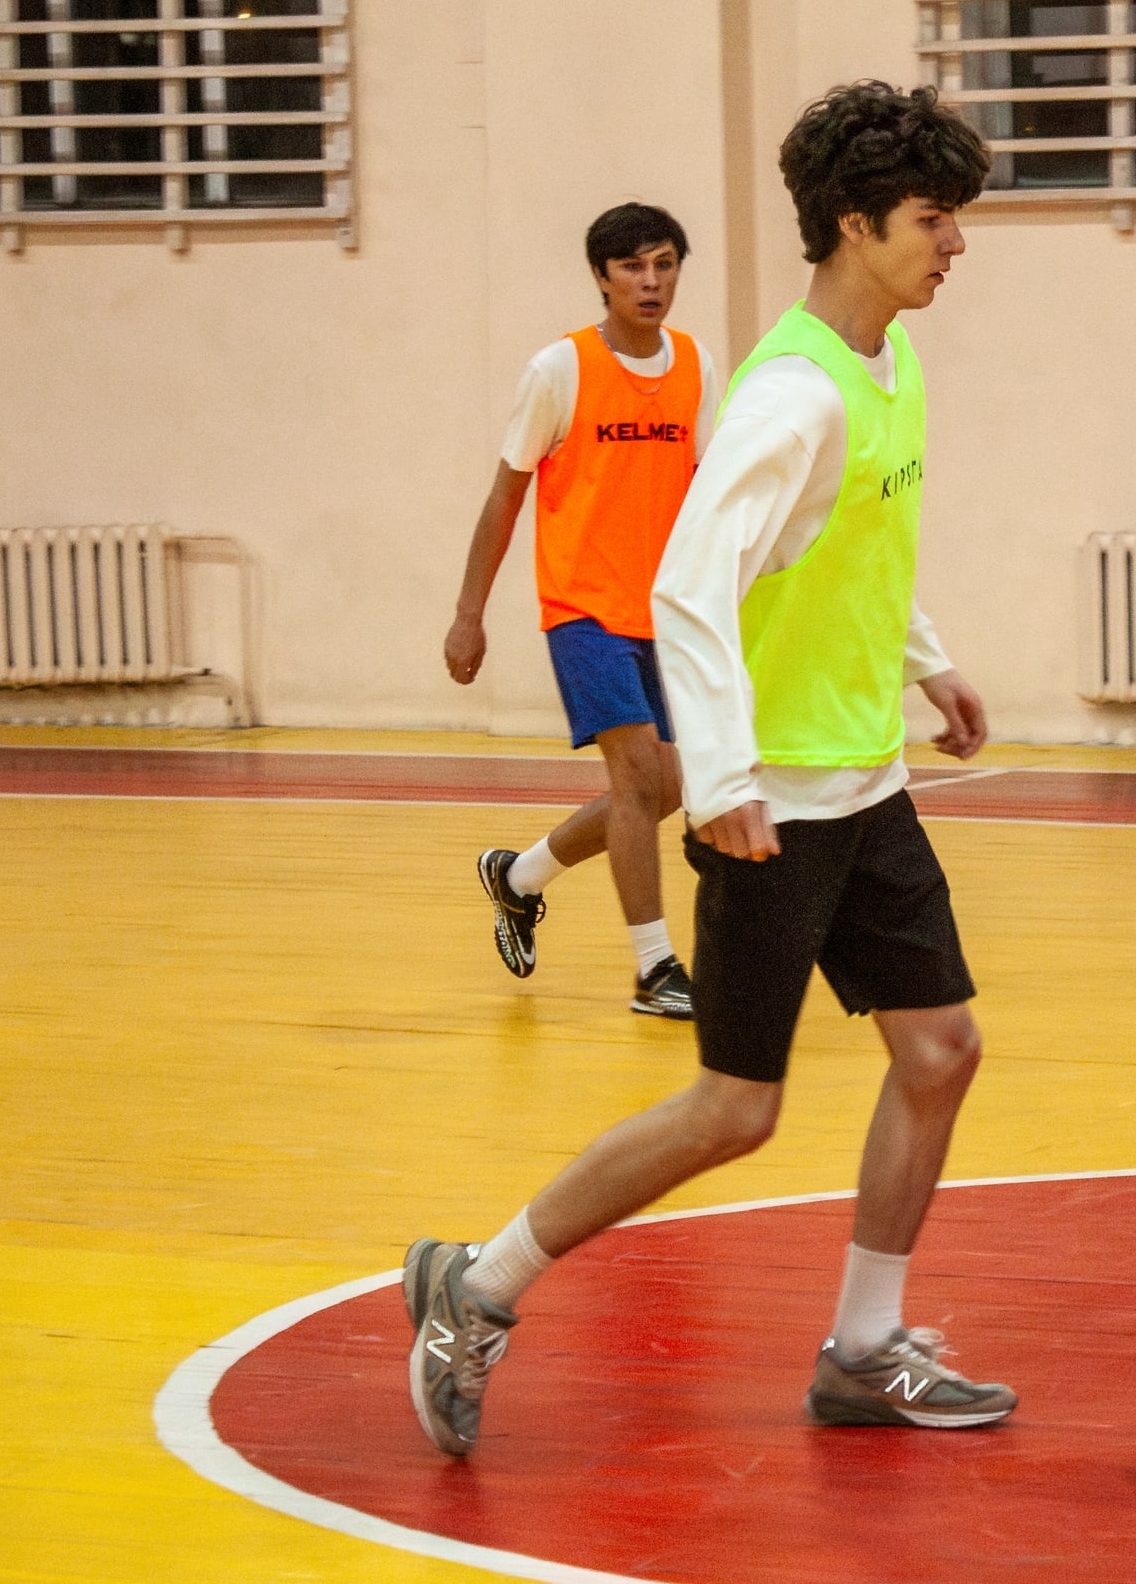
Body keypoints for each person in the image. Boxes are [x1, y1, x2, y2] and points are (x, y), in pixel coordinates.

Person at [403, 81, 1007, 1457]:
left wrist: (929, 663)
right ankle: (477, 1285)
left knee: (939, 1048)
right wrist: (723, 775)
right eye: (932, 219)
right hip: (775, 804)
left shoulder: (888, 365)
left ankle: (864, 1348)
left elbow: (843, 545)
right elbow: (689, 584)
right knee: (735, 1108)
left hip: (864, 781)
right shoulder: (789, 394)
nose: (954, 244)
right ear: (854, 225)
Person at [443, 203, 722, 1018]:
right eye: (632, 266)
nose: (650, 281)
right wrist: (469, 613)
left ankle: (520, 874)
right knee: (634, 776)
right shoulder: (559, 370)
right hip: (584, 611)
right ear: (601, 276)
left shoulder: (697, 365)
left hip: (666, 613)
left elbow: (708, 494)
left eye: (664, 264)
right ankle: (655, 969)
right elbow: (504, 498)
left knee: (664, 788)